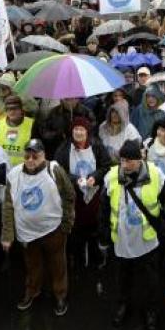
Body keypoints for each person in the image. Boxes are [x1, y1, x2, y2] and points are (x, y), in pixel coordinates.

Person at [100, 139, 165, 330]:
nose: (125, 165)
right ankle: (123, 305)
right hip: (122, 240)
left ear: (139, 160)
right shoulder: (112, 176)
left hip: (147, 241)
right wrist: (104, 235)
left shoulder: (155, 174)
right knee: (123, 278)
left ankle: (151, 312)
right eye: (122, 160)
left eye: (129, 160)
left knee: (151, 280)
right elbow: (105, 208)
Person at [2, 138, 75, 316]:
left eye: (36, 156)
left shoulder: (54, 170)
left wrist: (67, 224)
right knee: (32, 265)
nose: (31, 160)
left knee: (58, 265)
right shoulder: (14, 175)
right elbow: (8, 205)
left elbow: (69, 195)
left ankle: (60, 295)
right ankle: (32, 291)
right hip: (27, 233)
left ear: (43, 155)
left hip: (53, 230)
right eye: (27, 156)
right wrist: (7, 235)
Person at [55, 116, 111, 290]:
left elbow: (106, 166)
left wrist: (95, 177)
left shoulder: (97, 145)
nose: (78, 132)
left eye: (82, 130)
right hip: (73, 197)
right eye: (75, 129)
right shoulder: (64, 148)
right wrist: (74, 180)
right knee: (75, 229)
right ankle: (77, 260)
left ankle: (96, 258)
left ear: (88, 132)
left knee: (94, 226)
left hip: (93, 197)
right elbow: (58, 169)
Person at [0, 95, 34, 167]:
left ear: (21, 109)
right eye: (9, 109)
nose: (12, 112)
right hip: (2, 170)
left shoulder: (32, 125)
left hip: (24, 170)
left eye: (15, 109)